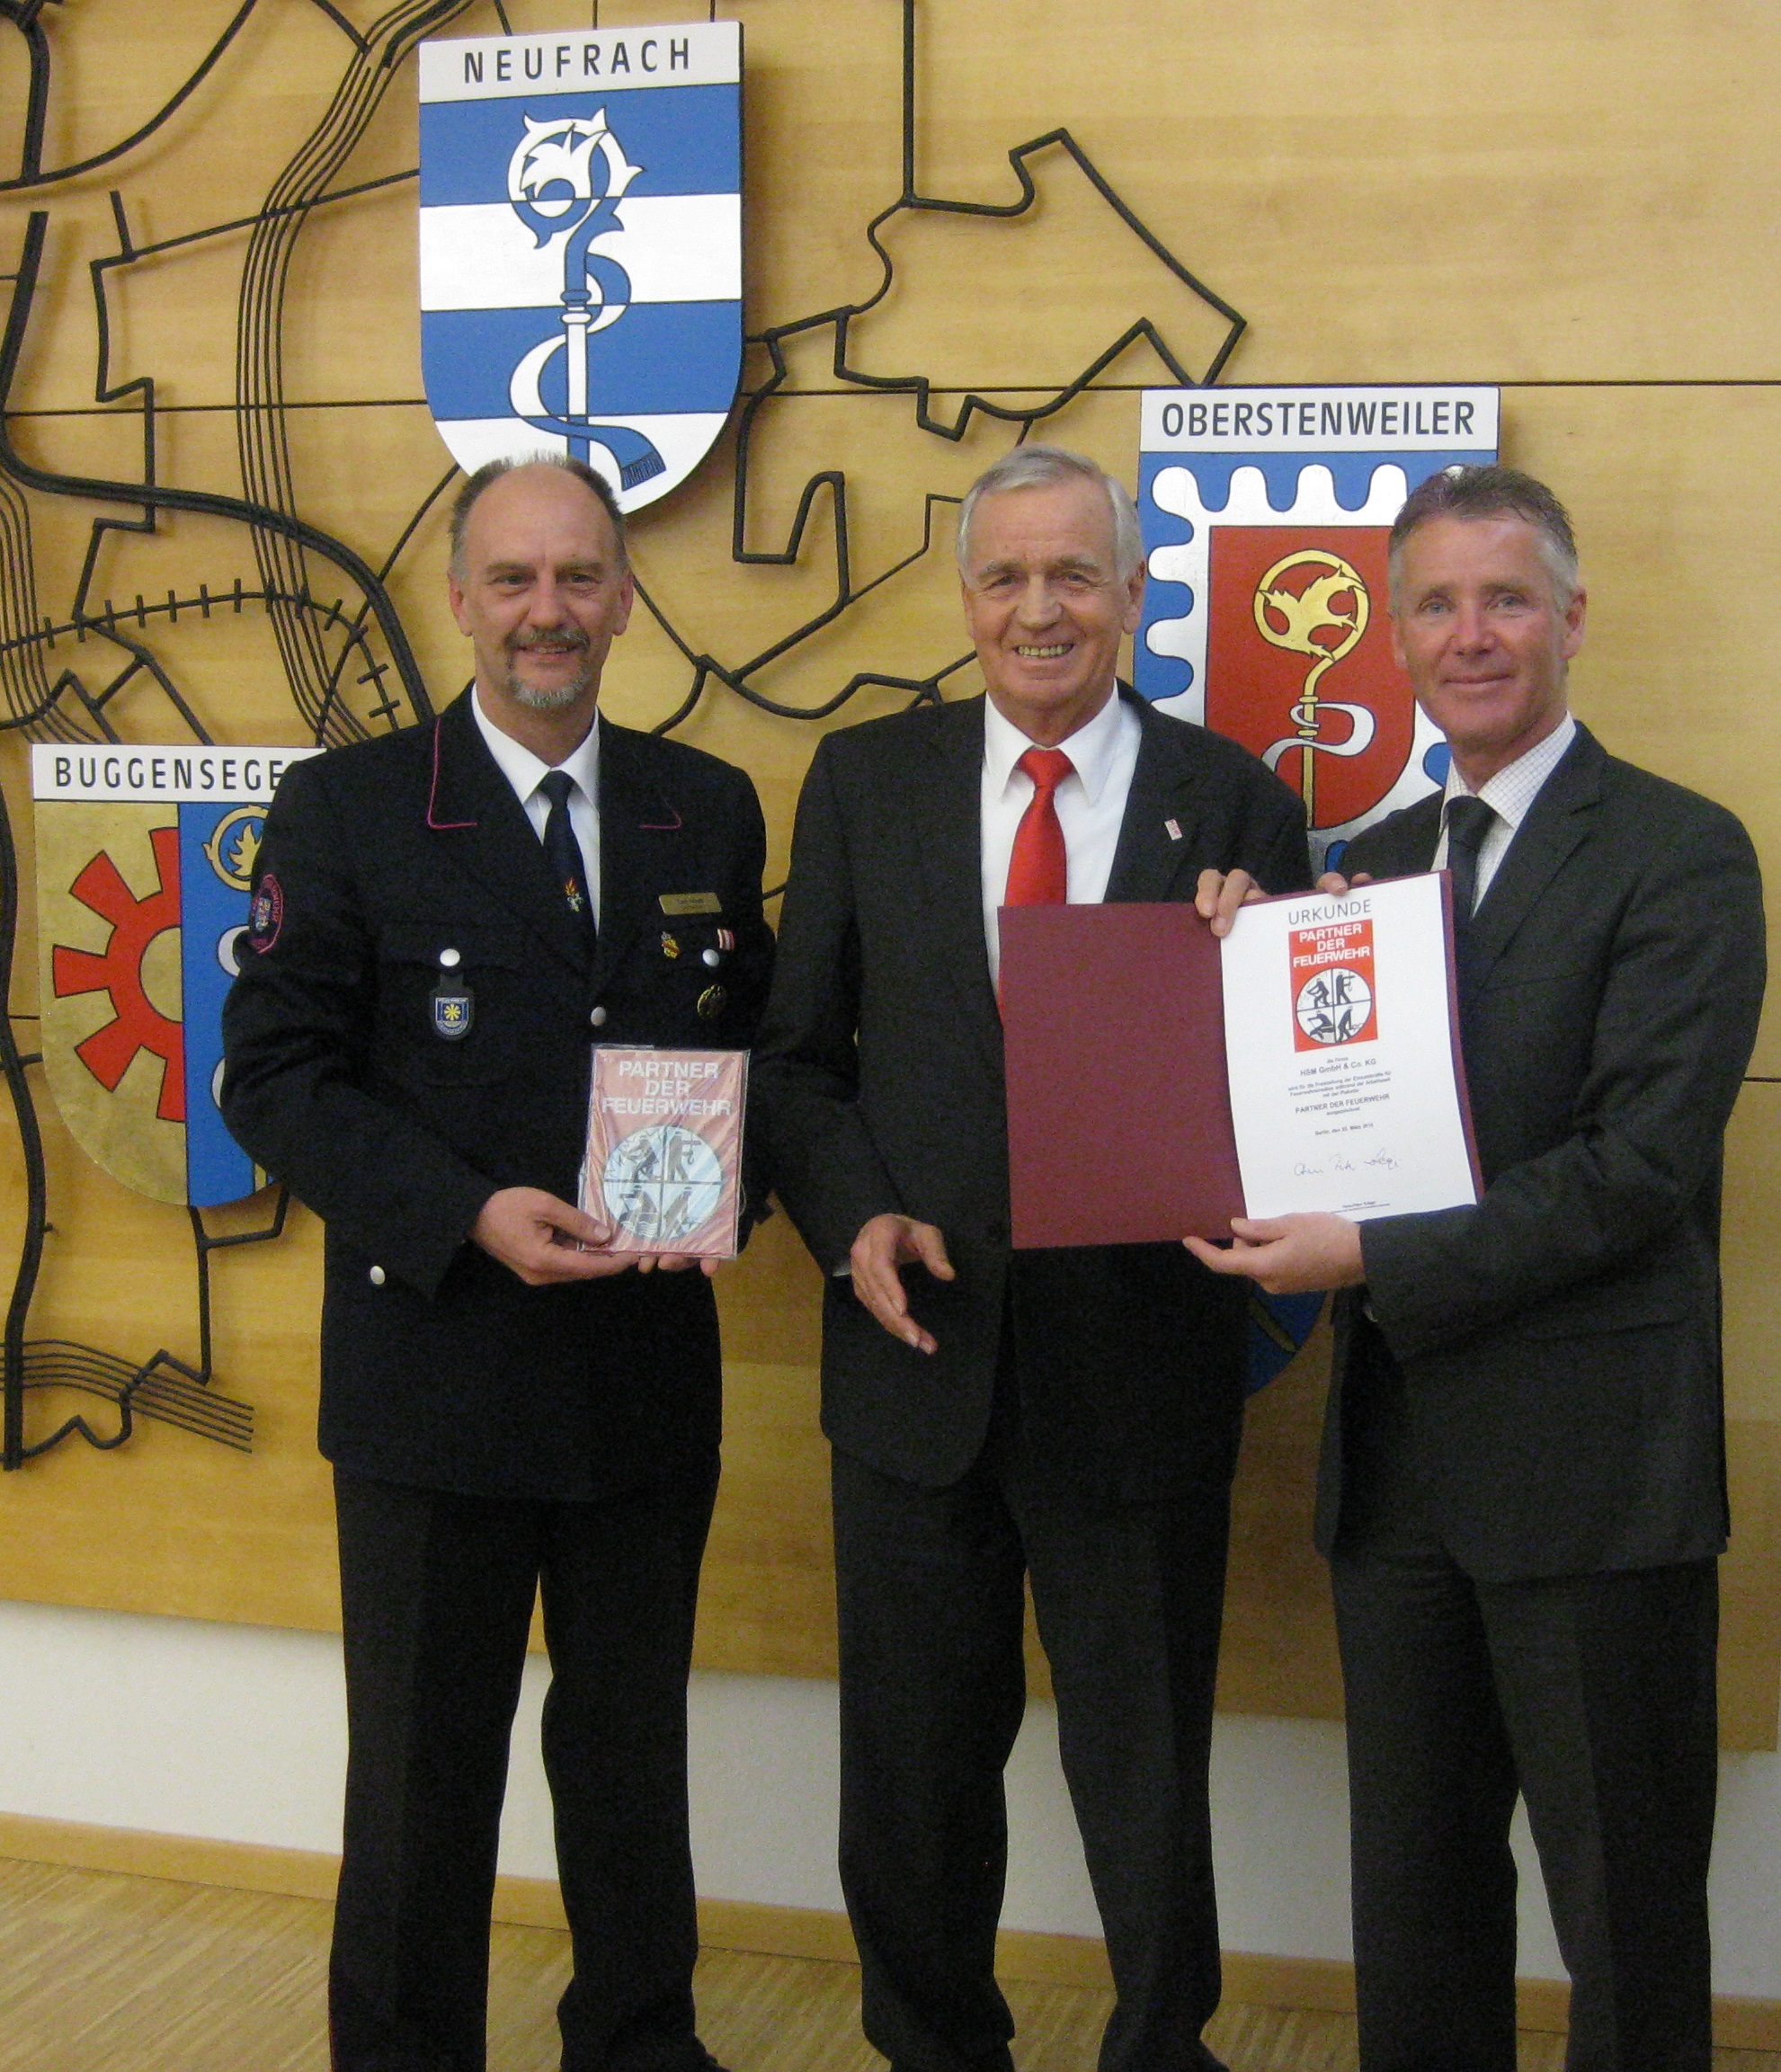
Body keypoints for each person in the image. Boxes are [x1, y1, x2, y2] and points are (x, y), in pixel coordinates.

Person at [1187, 463, 1766, 2071]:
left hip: (1595, 1479)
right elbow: (1285, 1121)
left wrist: (1366, 1248)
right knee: (1417, 1904)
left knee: (1623, 1914)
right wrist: (1223, 969)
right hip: (1400, 1485)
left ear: (1571, 618)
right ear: (1391, 639)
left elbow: (1636, 1169)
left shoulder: (1680, 851)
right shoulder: (1357, 869)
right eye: (1434, 604)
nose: (1470, 634)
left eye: (1505, 599)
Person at [752, 444, 1311, 2072]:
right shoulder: (865, 780)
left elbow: (1295, 1090)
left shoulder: (1238, 799)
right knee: (912, 1775)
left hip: (1137, 1372)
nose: (1038, 607)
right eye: (1004, 575)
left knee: (1145, 1770)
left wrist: (1254, 963)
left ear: (1132, 592)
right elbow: (796, 1064)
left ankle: (1160, 2048)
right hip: (914, 1357)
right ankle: (933, 2048)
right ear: (964, 599)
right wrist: (853, 1217)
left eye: (1073, 573)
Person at [221, 456, 773, 2072]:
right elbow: (273, 1076)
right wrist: (465, 1209)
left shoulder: (702, 805)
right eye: (515, 578)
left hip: (641, 1379)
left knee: (630, 1764)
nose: (549, 609)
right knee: (420, 1775)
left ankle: (640, 2044)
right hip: (434, 1376)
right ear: (460, 598)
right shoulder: (349, 806)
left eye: (579, 576)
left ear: (625, 598)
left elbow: (758, 1057)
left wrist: (730, 1191)